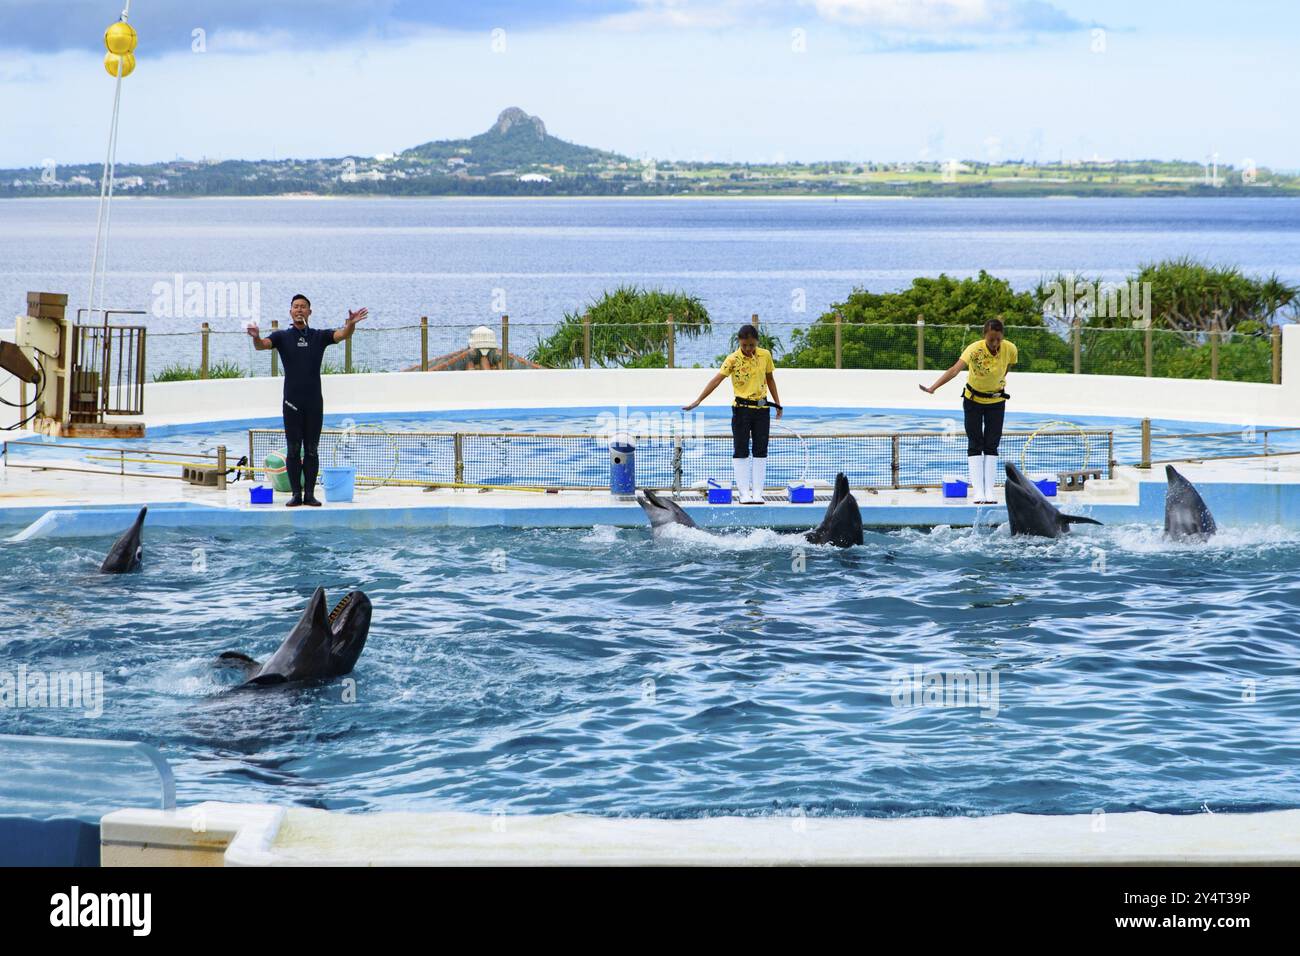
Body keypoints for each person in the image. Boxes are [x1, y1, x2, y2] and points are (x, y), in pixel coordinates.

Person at [248, 294, 367, 506]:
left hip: (314, 403)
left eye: (303, 307)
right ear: (291, 312)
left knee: (312, 449)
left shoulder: (318, 336)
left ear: (309, 312)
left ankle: (310, 494)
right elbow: (262, 345)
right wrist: (256, 337)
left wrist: (350, 324)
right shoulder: (282, 337)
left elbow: (342, 335)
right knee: (293, 450)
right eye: (296, 307)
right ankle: (296, 494)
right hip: (291, 403)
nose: (299, 310)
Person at [919, 318, 1017, 505]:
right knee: (975, 443)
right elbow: (955, 370)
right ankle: (978, 491)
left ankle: (989, 490)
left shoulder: (1010, 349)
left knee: (991, 444)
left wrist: (997, 384)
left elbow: (1006, 368)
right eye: (991, 340)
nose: (995, 343)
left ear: (1002, 336)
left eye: (998, 339)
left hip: (996, 401)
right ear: (984, 337)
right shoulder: (974, 349)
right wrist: (933, 387)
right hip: (973, 401)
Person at [683, 324, 783, 504]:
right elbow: (716, 380)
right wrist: (699, 400)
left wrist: (778, 403)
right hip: (741, 410)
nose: (748, 349)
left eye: (751, 345)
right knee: (741, 450)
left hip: (762, 409)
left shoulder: (765, 355)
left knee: (761, 450)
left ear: (756, 342)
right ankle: (744, 493)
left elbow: (770, 379)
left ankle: (758, 493)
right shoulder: (732, 360)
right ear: (739, 342)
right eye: (744, 345)